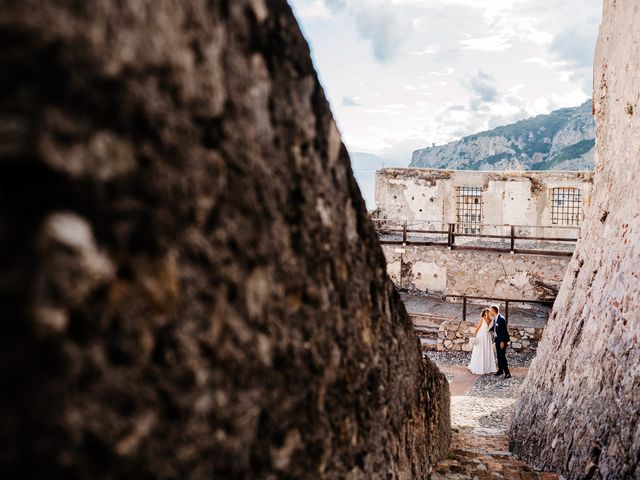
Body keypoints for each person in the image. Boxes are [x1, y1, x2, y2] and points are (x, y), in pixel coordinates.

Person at [468, 308, 497, 375]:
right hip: (480, 337)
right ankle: (478, 367)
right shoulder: (482, 320)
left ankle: (487, 367)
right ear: (486, 313)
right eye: (489, 312)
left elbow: (493, 329)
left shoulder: (492, 320)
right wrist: (474, 338)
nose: (491, 313)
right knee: (479, 351)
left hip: (487, 337)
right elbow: (477, 329)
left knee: (487, 351)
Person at [491, 304, 511, 378]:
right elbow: (494, 328)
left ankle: (507, 373)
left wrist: (502, 341)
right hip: (497, 340)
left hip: (502, 341)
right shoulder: (495, 318)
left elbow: (504, 331)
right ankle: (500, 370)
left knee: (502, 356)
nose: (490, 312)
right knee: (499, 356)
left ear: (494, 311)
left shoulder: (501, 319)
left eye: (491, 311)